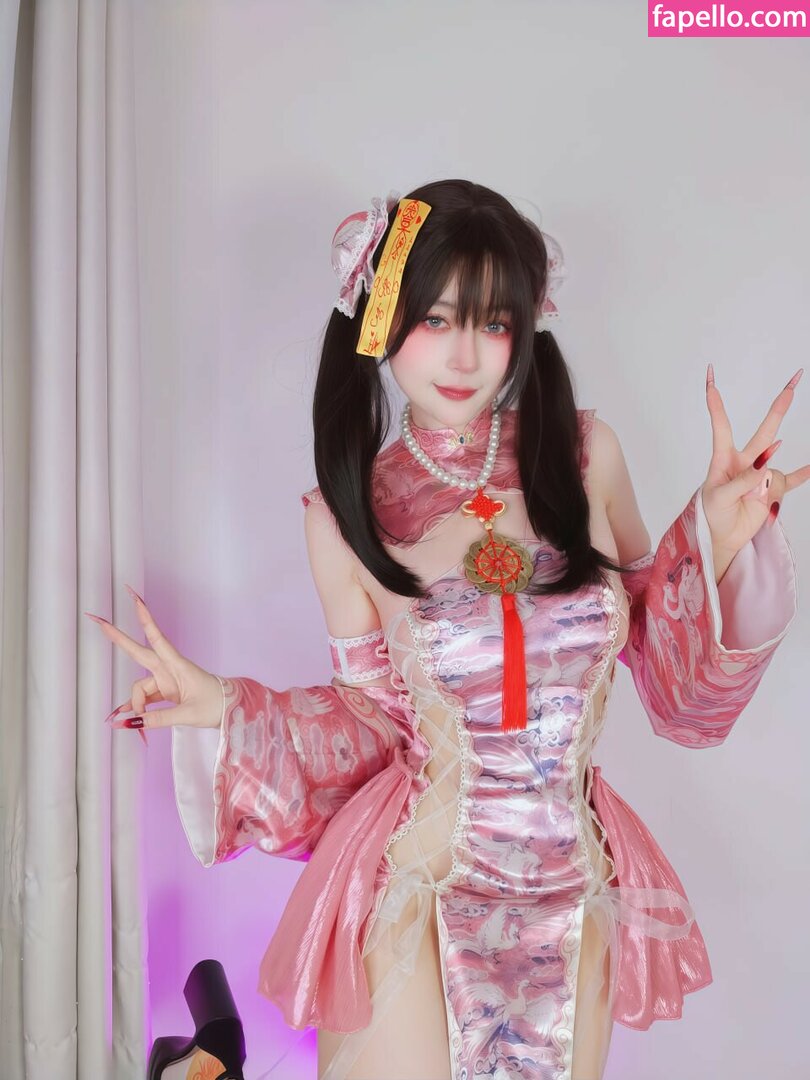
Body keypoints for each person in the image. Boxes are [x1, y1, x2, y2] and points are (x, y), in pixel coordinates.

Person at [87, 179, 804, 1080]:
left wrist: (717, 541)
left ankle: (205, 1062)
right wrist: (229, 709)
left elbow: (669, 679)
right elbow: (370, 723)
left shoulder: (587, 457)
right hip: (419, 885)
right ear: (382, 316)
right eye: (436, 319)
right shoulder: (344, 514)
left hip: (574, 887)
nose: (466, 354)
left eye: (494, 323)